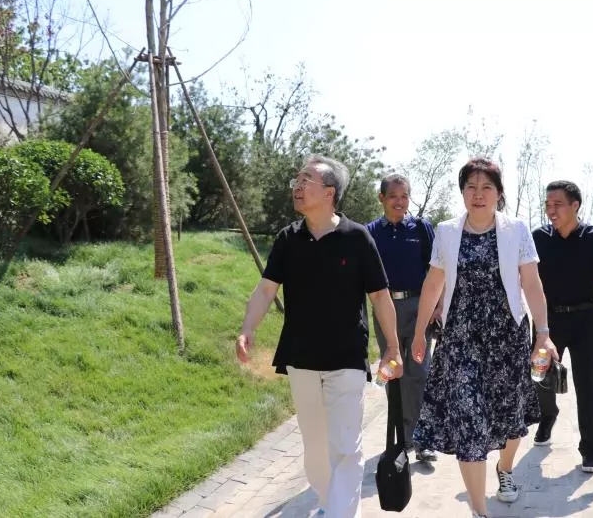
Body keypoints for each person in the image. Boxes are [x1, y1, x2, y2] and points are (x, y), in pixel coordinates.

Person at [235, 154, 403, 518]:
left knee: (346, 447)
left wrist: (392, 346)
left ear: (329, 193)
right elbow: (266, 289)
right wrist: (247, 329)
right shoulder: (288, 239)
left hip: (346, 358)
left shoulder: (357, 238)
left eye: (306, 180)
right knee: (315, 452)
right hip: (302, 358)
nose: (297, 186)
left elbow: (379, 296)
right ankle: (332, 505)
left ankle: (342, 513)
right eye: (296, 180)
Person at [409, 158, 557, 518]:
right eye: (471, 187)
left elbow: (531, 283)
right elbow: (433, 283)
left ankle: (505, 468)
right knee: (468, 422)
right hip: (460, 339)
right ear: (462, 193)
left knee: (510, 416)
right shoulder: (446, 231)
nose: (478, 194)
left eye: (486, 187)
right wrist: (419, 333)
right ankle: (479, 511)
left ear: (498, 193)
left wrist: (543, 334)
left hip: (507, 338)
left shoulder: (516, 230)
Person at [531, 180, 593, 474]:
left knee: (588, 386)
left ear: (575, 205)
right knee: (538, 375)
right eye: (547, 205)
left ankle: (590, 449)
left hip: (585, 321)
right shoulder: (538, 238)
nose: (551, 210)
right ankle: (548, 416)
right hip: (547, 323)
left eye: (558, 204)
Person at [366, 174, 440, 463]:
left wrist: (437, 307)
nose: (399, 202)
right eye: (393, 196)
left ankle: (421, 439)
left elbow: (438, 270)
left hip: (419, 307)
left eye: (404, 196)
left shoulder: (421, 229)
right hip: (385, 308)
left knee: (418, 371)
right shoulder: (370, 232)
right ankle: (401, 437)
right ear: (382, 198)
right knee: (393, 370)